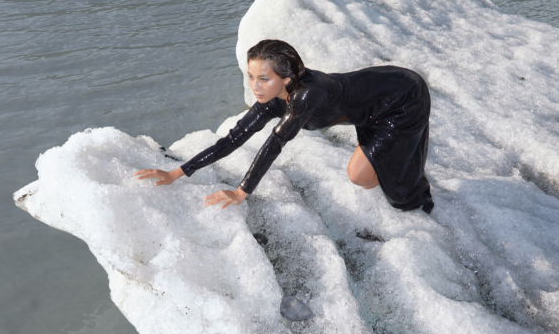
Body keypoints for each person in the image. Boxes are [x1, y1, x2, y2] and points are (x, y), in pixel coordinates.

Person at [134, 39, 433, 214]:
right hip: (370, 106)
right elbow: (235, 137)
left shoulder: (307, 94)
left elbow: (274, 144)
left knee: (399, 197)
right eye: (251, 77)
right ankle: (391, 156)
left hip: (402, 97)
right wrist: (176, 172)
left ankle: (405, 168)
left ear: (286, 79)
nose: (255, 86)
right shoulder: (273, 96)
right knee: (368, 175)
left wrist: (240, 193)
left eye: (263, 79)